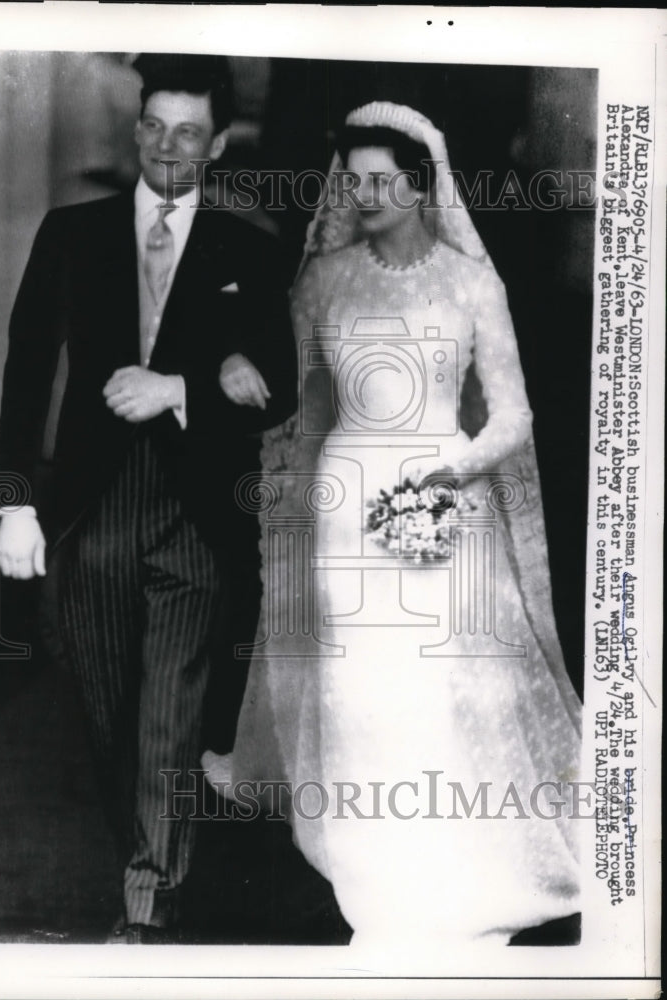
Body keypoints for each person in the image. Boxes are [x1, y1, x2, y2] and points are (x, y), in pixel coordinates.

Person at [222, 102, 582, 952]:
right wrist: (299, 516)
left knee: (449, 691)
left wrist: (445, 472)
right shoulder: (322, 279)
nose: (367, 193)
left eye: (386, 179)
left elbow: (515, 417)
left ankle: (459, 862)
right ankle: (370, 859)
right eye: (354, 179)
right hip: (348, 506)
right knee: (361, 692)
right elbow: (310, 414)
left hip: (447, 503)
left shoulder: (471, 282)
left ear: (424, 185)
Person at [0, 54, 297, 941]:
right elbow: (24, 373)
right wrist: (15, 501)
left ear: (221, 142)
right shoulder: (70, 233)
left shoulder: (253, 249)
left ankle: (148, 905)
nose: (168, 148)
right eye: (154, 127)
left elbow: (280, 387)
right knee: (105, 706)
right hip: (90, 507)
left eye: (189, 132)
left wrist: (181, 386)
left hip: (196, 516)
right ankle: (145, 849)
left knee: (169, 713)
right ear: (136, 130)